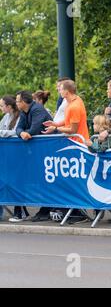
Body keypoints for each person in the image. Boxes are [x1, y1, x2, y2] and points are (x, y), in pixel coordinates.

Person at [42, 79, 90, 224]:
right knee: (71, 179)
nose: (59, 91)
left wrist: (56, 128)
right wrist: (55, 124)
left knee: (76, 180)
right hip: (73, 146)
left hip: (77, 146)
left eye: (60, 89)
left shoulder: (75, 105)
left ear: (67, 92)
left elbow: (73, 130)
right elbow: (68, 122)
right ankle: (74, 211)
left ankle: (79, 212)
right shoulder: (72, 102)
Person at [15, 90, 53, 221]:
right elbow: (18, 128)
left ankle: (48, 209)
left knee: (48, 179)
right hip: (39, 152)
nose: (16, 103)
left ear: (24, 102)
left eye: (17, 101)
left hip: (50, 150)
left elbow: (35, 129)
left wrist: (27, 133)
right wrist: (22, 134)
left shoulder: (38, 109)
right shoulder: (23, 112)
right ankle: (45, 209)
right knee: (41, 180)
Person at [0, 96, 29, 222]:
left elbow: (17, 132)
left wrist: (3, 133)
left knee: (17, 183)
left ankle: (20, 212)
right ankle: (20, 211)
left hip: (18, 155)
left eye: (2, 105)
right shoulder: (6, 117)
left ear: (9, 106)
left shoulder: (20, 116)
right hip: (7, 156)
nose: (0, 108)